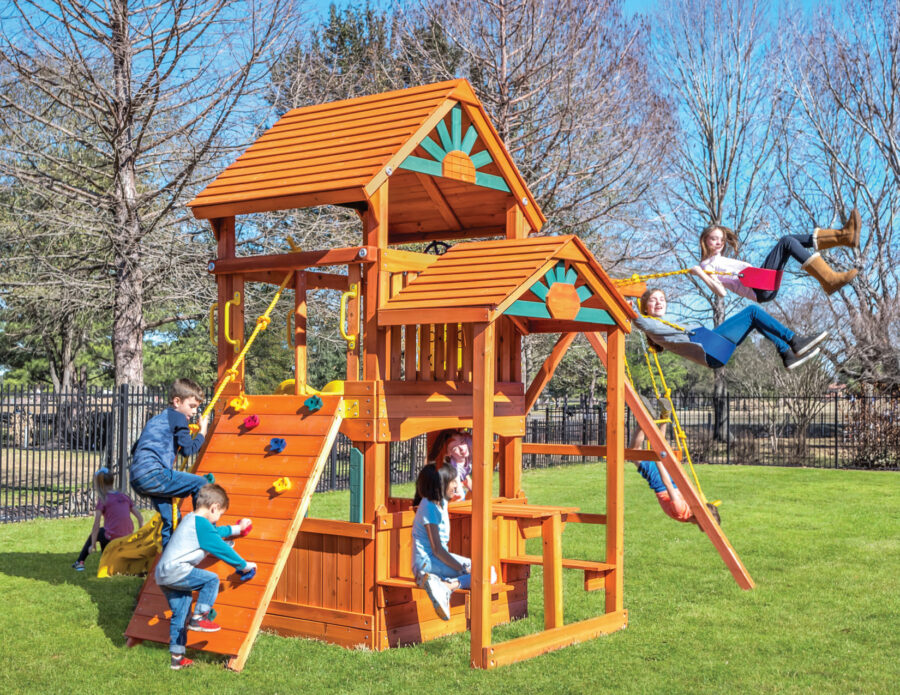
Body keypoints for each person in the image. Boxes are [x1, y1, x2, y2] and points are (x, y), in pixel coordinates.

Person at [155, 483, 255, 671]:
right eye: (219, 515)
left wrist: (236, 529)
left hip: (163, 574)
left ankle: (177, 659)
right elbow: (221, 548)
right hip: (176, 570)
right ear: (214, 508)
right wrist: (244, 565)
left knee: (181, 612)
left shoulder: (192, 520)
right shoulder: (201, 524)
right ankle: (199, 617)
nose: (218, 519)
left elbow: (215, 534)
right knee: (211, 580)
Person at [634, 288, 827, 371]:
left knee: (754, 320)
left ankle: (787, 353)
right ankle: (794, 341)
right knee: (752, 312)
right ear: (645, 307)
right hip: (710, 349)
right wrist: (630, 309)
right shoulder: (652, 326)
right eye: (653, 300)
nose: (659, 302)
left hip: (713, 348)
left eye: (662, 299)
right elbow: (638, 321)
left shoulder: (665, 323)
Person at [694, 212, 859, 301]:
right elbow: (721, 292)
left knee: (790, 242)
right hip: (758, 288)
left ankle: (844, 237)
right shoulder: (706, 265)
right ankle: (829, 278)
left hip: (761, 285)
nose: (719, 242)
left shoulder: (720, 260)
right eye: (714, 239)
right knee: (786, 242)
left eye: (721, 239)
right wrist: (700, 273)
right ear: (704, 241)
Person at [129, 378, 210, 547]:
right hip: (153, 474)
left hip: (137, 477)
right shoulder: (178, 418)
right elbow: (188, 450)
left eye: (197, 407)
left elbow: (136, 448)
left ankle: (168, 563)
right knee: (202, 484)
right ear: (177, 401)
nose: (195, 412)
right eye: (192, 406)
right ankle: (204, 535)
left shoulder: (156, 420)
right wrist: (202, 432)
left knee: (171, 520)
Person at [411, 463, 496, 621]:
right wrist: (461, 568)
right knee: (485, 572)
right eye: (453, 481)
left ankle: (446, 586)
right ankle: (444, 586)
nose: (457, 484)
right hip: (427, 563)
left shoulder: (438, 503)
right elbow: (437, 549)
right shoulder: (429, 507)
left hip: (433, 561)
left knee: (488, 572)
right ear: (441, 484)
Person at [630, 425, 720, 528]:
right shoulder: (680, 511)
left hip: (674, 482)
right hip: (661, 483)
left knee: (658, 447)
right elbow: (667, 485)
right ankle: (643, 421)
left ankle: (663, 418)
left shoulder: (694, 507)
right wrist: (658, 460)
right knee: (635, 451)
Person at [72, 468, 144, 571]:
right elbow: (140, 517)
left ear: (99, 485)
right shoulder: (124, 497)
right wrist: (139, 536)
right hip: (127, 536)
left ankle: (80, 562)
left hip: (112, 537)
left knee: (101, 531)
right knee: (105, 532)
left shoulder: (103, 499)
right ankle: (107, 561)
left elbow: (96, 525)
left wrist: (92, 544)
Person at [427, 429, 473, 501]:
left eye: (462, 442)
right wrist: (459, 493)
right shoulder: (454, 469)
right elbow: (459, 491)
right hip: (447, 492)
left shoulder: (468, 444)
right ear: (448, 453)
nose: (462, 448)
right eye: (455, 449)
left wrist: (462, 430)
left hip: (463, 478)